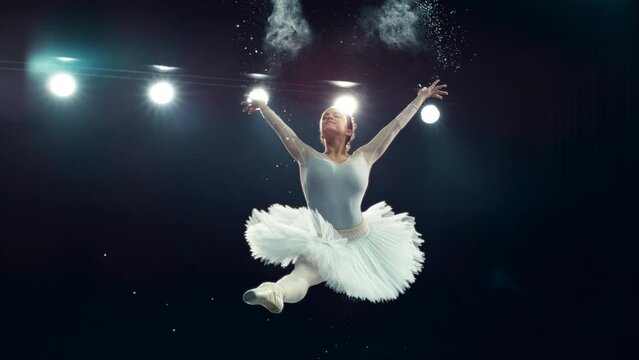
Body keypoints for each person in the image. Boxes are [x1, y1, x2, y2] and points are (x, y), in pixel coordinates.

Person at [240, 80, 448, 314]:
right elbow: (282, 130)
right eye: (324, 116)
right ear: (321, 132)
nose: (328, 116)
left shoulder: (365, 156)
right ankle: (274, 291)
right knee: (302, 276)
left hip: (360, 238)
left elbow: (395, 127)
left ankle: (277, 291)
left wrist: (420, 98)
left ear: (349, 130)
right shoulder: (306, 156)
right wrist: (264, 108)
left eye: (335, 115)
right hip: (322, 239)